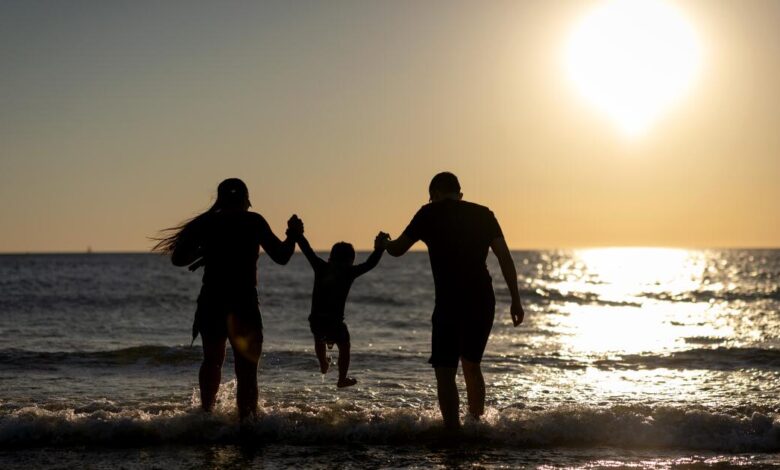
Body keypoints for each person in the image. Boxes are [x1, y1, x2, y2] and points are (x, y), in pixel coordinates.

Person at [153, 178, 303, 420]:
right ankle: (247, 423)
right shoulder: (253, 221)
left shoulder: (207, 222)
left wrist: (206, 251)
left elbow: (178, 259)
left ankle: (206, 415)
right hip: (243, 301)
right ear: (246, 199)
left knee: (212, 361)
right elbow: (282, 256)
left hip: (212, 300)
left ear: (220, 198)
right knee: (246, 370)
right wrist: (294, 235)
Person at [383, 172, 524, 429]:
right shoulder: (484, 214)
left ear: (434, 194)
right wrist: (516, 300)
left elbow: (397, 249)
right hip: (482, 300)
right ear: (459, 194)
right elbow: (505, 258)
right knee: (472, 365)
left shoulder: (428, 213)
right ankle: (476, 426)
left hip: (450, 302)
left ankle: (452, 432)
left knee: (445, 371)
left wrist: (383, 242)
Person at [295, 231, 389, 388]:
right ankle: (341, 378)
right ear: (350, 260)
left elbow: (307, 250)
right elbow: (370, 264)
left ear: (331, 256)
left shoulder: (321, 267)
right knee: (345, 347)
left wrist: (298, 234)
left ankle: (323, 364)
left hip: (316, 319)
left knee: (318, 338)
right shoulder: (349, 272)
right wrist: (379, 249)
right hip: (335, 322)